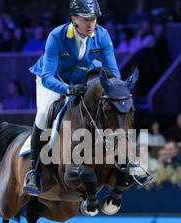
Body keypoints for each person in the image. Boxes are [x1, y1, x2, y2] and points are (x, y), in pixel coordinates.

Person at [25, 0, 121, 194]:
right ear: (74, 19)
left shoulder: (101, 35)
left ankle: (121, 162)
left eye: (93, 18)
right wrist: (67, 89)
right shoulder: (57, 36)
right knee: (44, 113)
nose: (91, 24)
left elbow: (113, 72)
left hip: (80, 76)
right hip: (53, 78)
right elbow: (47, 77)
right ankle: (33, 172)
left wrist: (115, 90)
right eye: (86, 19)